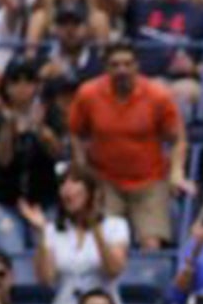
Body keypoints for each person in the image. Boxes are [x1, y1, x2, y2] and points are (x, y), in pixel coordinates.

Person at [67, 42, 189, 251]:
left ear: (137, 66)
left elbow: (177, 139)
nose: (122, 70)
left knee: (151, 243)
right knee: (105, 243)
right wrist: (81, 168)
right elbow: (76, 133)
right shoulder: (88, 94)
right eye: (115, 65)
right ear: (105, 68)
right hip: (105, 180)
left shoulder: (158, 96)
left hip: (149, 180)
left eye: (127, 64)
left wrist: (176, 172)